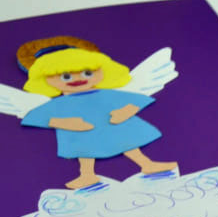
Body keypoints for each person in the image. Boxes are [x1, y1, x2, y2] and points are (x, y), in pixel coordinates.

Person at [18, 37, 177, 189]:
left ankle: (147, 164)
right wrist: (63, 122)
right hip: (82, 132)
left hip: (114, 127)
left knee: (128, 142)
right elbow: (34, 116)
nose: (77, 79)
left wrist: (126, 111)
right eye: (66, 76)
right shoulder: (59, 103)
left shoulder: (106, 94)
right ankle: (87, 175)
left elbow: (137, 100)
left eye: (87, 73)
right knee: (84, 150)